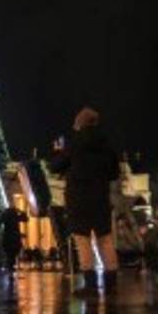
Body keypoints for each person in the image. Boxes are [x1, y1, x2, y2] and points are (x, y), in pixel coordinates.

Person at [49, 107, 120, 296]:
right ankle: (111, 281)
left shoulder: (75, 144)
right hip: (100, 198)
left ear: (79, 123)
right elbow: (115, 173)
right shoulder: (107, 145)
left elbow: (54, 166)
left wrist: (59, 155)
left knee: (83, 240)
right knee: (105, 238)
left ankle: (90, 285)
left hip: (78, 199)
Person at [0, 205, 28, 272]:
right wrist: (20, 211)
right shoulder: (15, 217)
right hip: (14, 239)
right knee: (12, 254)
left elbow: (0, 220)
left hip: (9, 239)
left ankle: (10, 266)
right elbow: (25, 218)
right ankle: (10, 266)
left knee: (10, 254)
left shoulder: (8, 217)